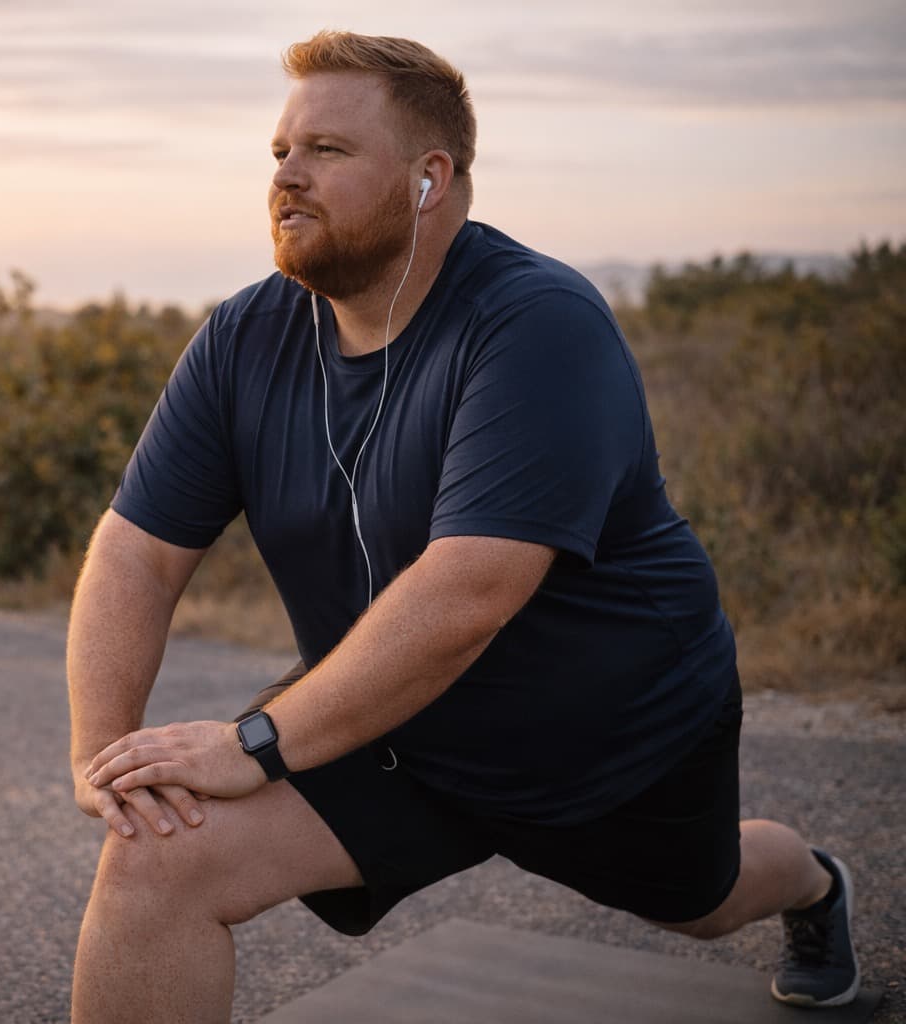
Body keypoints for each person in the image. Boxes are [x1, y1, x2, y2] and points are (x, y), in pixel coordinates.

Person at [64, 30, 861, 1024]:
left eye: (328, 151)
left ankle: (818, 885)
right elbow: (136, 552)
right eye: (280, 153)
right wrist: (105, 763)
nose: (288, 176)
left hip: (607, 737)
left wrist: (256, 741)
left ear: (429, 179)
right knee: (155, 857)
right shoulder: (243, 339)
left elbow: (469, 592)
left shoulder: (537, 322)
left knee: (708, 899)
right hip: (392, 717)